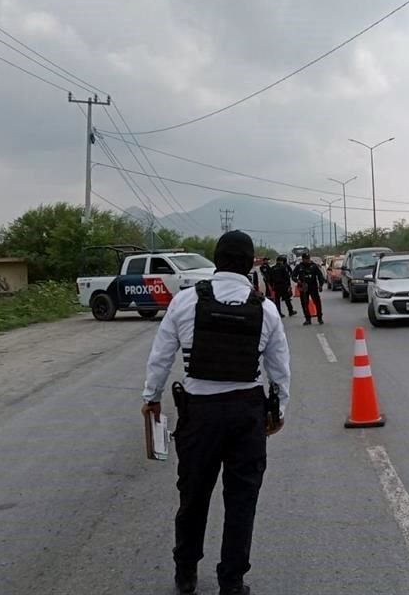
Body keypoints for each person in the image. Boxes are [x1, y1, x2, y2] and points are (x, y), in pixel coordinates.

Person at [141, 231, 291, 595]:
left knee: (193, 496)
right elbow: (279, 369)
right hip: (246, 414)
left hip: (200, 415)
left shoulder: (184, 302)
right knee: (242, 499)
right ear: (250, 263)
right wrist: (278, 410)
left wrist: (152, 396)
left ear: (216, 260)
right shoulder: (265, 308)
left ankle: (186, 572)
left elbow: (161, 357)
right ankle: (232, 581)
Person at [291, 252, 326, 326]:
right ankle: (307, 319)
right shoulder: (299, 266)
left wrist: (320, 285)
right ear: (303, 259)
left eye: (308, 259)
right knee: (304, 303)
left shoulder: (314, 266)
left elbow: (320, 276)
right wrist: (298, 281)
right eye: (305, 259)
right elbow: (293, 275)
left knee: (317, 302)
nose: (307, 260)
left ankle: (320, 318)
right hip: (303, 287)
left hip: (313, 286)